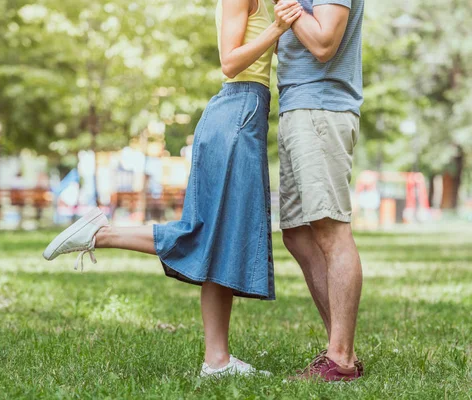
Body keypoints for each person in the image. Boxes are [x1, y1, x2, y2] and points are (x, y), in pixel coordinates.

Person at [43, 0, 303, 377]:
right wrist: (276, 29)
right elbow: (229, 61)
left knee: (221, 240)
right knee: (204, 234)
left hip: (245, 112)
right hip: (237, 112)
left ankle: (217, 361)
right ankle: (101, 234)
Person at [275, 0, 365, 381]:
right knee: (297, 233)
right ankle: (339, 349)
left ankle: (340, 358)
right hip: (298, 105)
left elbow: (325, 42)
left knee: (331, 229)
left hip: (320, 106)